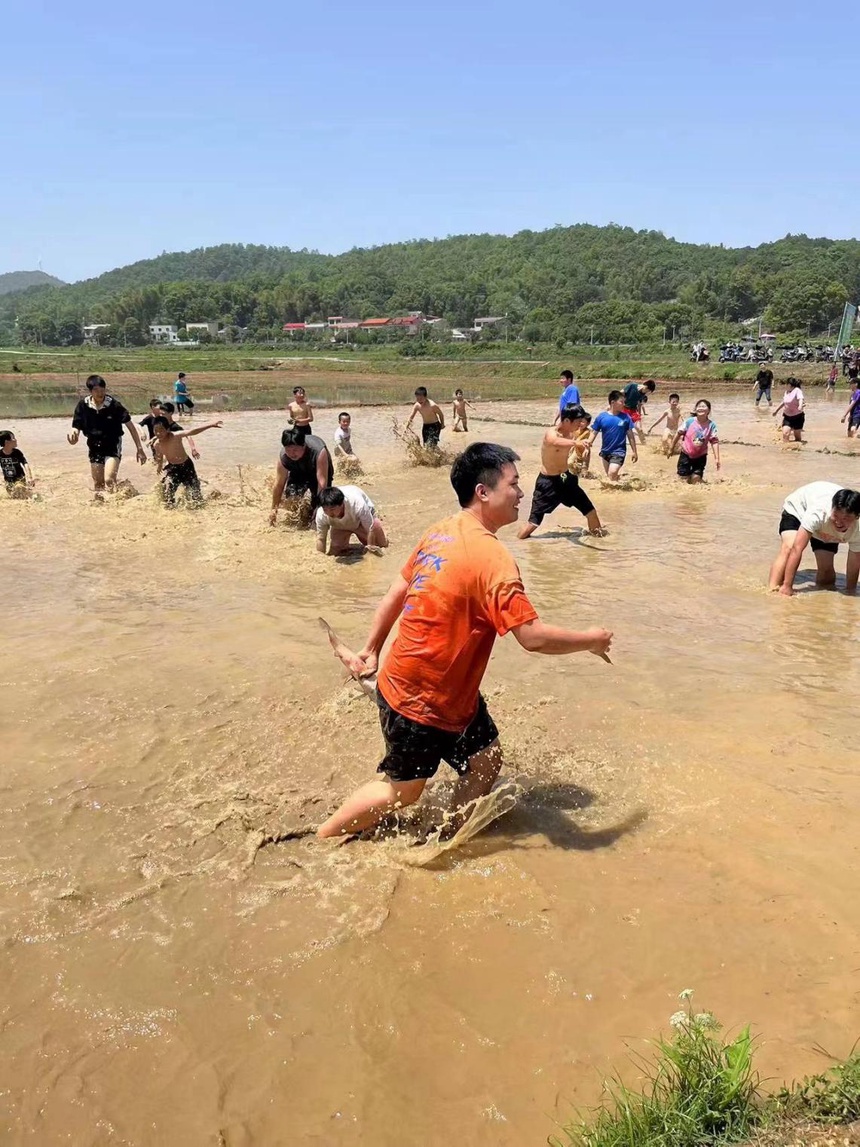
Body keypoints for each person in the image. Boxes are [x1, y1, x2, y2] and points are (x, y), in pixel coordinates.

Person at [316, 442, 613, 840]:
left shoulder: (440, 531)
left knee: (486, 759)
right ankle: (326, 836)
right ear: (483, 491)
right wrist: (591, 639)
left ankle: (449, 835)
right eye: (514, 483)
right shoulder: (493, 559)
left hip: (440, 691)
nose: (522, 494)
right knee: (404, 791)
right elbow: (533, 638)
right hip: (422, 700)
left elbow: (396, 592)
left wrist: (371, 649)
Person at [518, 404, 603, 538]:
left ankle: (599, 541)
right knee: (533, 524)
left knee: (590, 511)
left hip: (565, 478)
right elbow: (555, 442)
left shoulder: (573, 434)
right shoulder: (551, 433)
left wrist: (583, 450)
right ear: (567, 421)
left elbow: (579, 451)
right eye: (578, 421)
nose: (581, 424)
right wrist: (576, 443)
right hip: (547, 483)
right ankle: (516, 546)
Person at [768, 483, 860, 596]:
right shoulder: (818, 513)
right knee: (789, 547)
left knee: (827, 576)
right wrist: (787, 586)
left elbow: (854, 563)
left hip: (824, 527)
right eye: (836, 515)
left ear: (856, 517)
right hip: (798, 511)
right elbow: (797, 549)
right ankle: (771, 591)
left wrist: (850, 592)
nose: (839, 522)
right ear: (832, 508)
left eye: (846, 518)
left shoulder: (858, 528)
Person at [68, 375, 147, 497]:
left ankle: (114, 506)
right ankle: (102, 507)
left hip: (112, 445)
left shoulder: (114, 405)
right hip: (94, 446)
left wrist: (139, 449)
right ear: (90, 391)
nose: (100, 393)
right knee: (98, 484)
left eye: (102, 390)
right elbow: (76, 425)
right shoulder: (83, 405)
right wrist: (74, 434)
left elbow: (130, 426)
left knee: (109, 480)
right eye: (96, 390)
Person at [151, 416, 222, 507]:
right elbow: (160, 456)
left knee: (196, 496)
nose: (158, 433)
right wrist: (159, 466)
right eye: (156, 430)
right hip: (173, 468)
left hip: (186, 466)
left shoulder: (176, 436)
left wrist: (210, 425)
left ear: (168, 429)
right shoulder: (156, 444)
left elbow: (192, 431)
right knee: (167, 492)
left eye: (161, 430)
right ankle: (171, 511)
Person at [269, 427, 334, 525]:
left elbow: (322, 482)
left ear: (303, 446)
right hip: (298, 470)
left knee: (318, 509)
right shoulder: (284, 456)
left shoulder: (318, 451)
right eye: (288, 449)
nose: (291, 453)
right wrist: (274, 509)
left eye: (295, 449)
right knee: (292, 499)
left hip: (317, 468)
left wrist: (319, 507)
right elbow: (279, 485)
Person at [315, 485, 389, 555]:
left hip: (360, 521)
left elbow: (370, 529)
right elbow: (321, 538)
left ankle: (382, 529)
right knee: (336, 552)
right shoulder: (321, 514)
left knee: (381, 546)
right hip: (340, 526)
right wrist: (320, 558)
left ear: (342, 504)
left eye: (332, 509)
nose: (329, 513)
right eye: (325, 509)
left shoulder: (358, 504)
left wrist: (371, 550)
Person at [585, 391, 638, 481]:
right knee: (610, 479)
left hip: (619, 452)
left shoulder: (626, 417)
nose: (624, 404)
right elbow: (594, 432)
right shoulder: (602, 417)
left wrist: (634, 451)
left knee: (612, 472)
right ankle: (618, 488)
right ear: (613, 402)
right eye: (621, 402)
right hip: (605, 451)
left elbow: (631, 436)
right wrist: (587, 446)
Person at [671, 399, 720, 483]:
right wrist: (671, 448)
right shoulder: (689, 422)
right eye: (699, 406)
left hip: (701, 456)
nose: (701, 408)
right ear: (695, 409)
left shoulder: (712, 425)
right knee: (682, 480)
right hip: (686, 454)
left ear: (708, 410)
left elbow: (714, 442)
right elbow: (678, 433)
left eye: (703, 406)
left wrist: (717, 458)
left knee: (695, 479)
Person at [772, 378, 805, 442]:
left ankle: (797, 449)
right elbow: (783, 402)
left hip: (797, 417)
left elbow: (801, 399)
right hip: (787, 417)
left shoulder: (797, 390)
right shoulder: (786, 392)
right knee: (785, 434)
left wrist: (800, 406)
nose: (785, 386)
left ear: (789, 385)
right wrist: (776, 411)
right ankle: (786, 450)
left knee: (797, 437)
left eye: (786, 384)